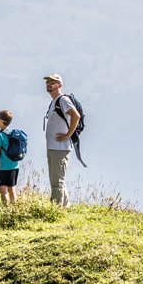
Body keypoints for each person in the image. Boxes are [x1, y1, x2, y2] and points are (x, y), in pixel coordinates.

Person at [42, 73, 80, 207]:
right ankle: (65, 207)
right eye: (48, 82)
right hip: (53, 147)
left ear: (59, 85)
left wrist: (68, 135)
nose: (49, 84)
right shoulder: (54, 101)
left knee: (56, 182)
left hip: (60, 148)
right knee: (58, 181)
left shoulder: (63, 100)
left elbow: (76, 116)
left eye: (52, 82)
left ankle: (56, 210)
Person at [0, 109, 20, 205]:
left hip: (5, 167)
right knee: (12, 188)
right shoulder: (13, 133)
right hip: (15, 165)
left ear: (2, 121)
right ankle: (14, 207)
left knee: (3, 190)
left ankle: (5, 208)